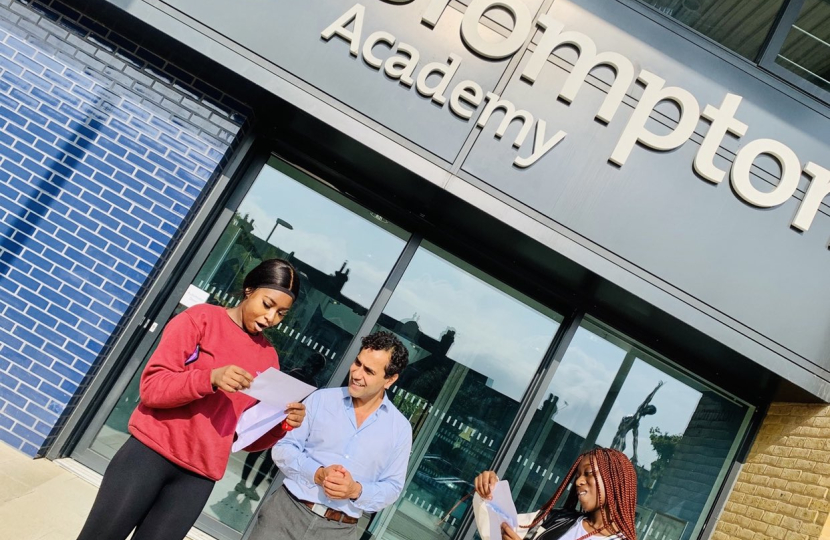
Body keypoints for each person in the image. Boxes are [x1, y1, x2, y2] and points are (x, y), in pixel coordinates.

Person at [75, 258, 306, 540]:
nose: (271, 318)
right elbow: (152, 388)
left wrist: (280, 425)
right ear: (249, 290)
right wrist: (209, 378)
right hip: (148, 456)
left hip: (197, 478)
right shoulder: (200, 319)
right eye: (267, 304)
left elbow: (243, 437)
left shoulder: (269, 358)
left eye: (281, 313)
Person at [248, 331, 412, 540]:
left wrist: (355, 490)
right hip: (286, 514)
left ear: (390, 379)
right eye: (357, 363)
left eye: (369, 371)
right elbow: (284, 448)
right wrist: (316, 473)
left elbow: (392, 487)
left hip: (339, 532)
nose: (357, 374)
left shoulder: (399, 429)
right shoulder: (320, 400)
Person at [474, 447, 637, 540]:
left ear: (615, 481)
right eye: (578, 475)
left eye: (588, 473)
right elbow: (502, 528)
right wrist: (491, 490)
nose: (579, 481)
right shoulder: (556, 518)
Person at [235, 352, 328, 500]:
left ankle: (247, 484)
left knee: (265, 457)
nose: (313, 368)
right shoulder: (306, 381)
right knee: (262, 454)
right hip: (277, 416)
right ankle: (246, 483)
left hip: (283, 419)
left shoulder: (300, 377)